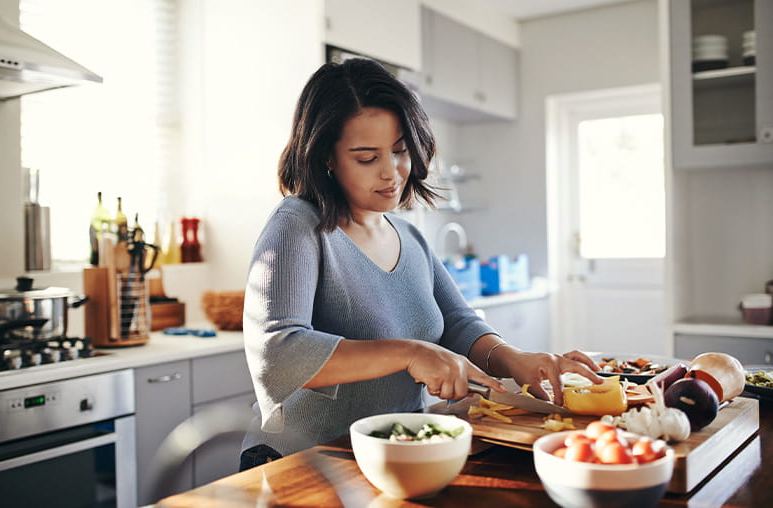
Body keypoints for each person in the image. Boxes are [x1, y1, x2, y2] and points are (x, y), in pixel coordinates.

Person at [239, 58, 601, 469]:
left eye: (400, 150)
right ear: (326, 157)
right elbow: (276, 351)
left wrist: (514, 360)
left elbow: (459, 325)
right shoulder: (296, 225)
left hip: (387, 457)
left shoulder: (407, 235)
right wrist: (409, 352)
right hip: (301, 461)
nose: (392, 172)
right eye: (366, 158)